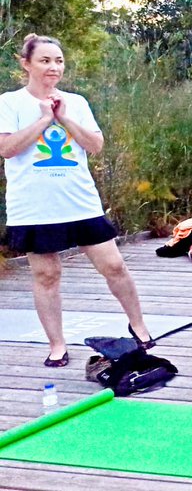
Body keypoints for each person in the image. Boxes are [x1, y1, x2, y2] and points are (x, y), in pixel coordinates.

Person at [0, 34, 154, 367]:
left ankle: (139, 326)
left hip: (79, 202)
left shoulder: (77, 103)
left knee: (113, 265)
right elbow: (6, 149)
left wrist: (64, 117)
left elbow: (95, 146)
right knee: (46, 275)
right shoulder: (10, 103)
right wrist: (44, 119)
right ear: (25, 63)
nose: (53, 67)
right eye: (44, 60)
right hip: (34, 206)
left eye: (58, 61)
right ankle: (57, 345)